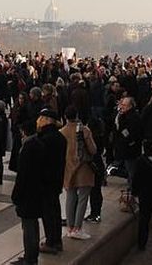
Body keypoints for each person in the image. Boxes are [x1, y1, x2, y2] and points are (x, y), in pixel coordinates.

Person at [59, 106, 96, 240]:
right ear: (77, 115)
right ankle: (77, 228)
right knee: (83, 197)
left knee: (70, 196)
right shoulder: (84, 130)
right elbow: (93, 150)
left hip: (68, 167)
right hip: (83, 167)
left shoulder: (61, 132)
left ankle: (69, 227)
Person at [11, 120, 44, 265]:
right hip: (37, 191)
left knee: (28, 227)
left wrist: (16, 195)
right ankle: (32, 255)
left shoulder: (27, 148)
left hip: (28, 194)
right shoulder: (40, 144)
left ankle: (30, 258)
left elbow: (22, 175)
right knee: (33, 225)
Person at [36, 108, 66, 255]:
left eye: (40, 118)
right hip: (56, 180)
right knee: (55, 210)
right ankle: (57, 240)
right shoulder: (60, 137)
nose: (38, 120)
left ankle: (51, 242)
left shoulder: (45, 139)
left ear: (47, 120)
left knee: (48, 213)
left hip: (46, 182)